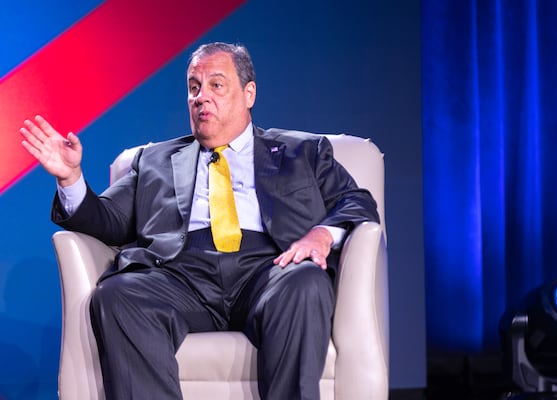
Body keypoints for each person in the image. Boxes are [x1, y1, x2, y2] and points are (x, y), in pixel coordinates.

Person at [20, 42, 379, 400]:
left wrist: (320, 234)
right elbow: (109, 220)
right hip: (181, 275)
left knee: (306, 284)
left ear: (248, 93)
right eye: (194, 87)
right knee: (117, 295)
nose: (200, 97)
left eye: (216, 85)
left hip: (270, 268)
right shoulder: (154, 160)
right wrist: (71, 179)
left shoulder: (303, 151)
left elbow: (355, 200)